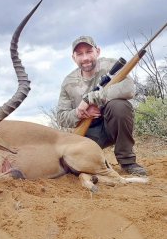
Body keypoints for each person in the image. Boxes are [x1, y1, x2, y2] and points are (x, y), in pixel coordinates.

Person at [57, 36, 147, 176]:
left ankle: (127, 162)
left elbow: (129, 89)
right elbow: (61, 117)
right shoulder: (68, 82)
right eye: (80, 54)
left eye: (89, 51)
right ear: (73, 57)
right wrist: (79, 113)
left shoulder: (111, 65)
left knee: (120, 106)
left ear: (97, 51)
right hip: (88, 134)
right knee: (72, 167)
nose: (85, 58)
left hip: (111, 125)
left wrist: (93, 98)